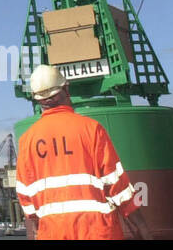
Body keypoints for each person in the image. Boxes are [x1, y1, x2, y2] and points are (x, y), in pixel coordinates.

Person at [15, 64, 144, 239]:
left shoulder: (27, 140)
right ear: (66, 89)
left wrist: (41, 227)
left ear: (37, 99)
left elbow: (26, 198)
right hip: (97, 232)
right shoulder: (91, 129)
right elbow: (117, 186)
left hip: (53, 234)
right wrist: (142, 229)